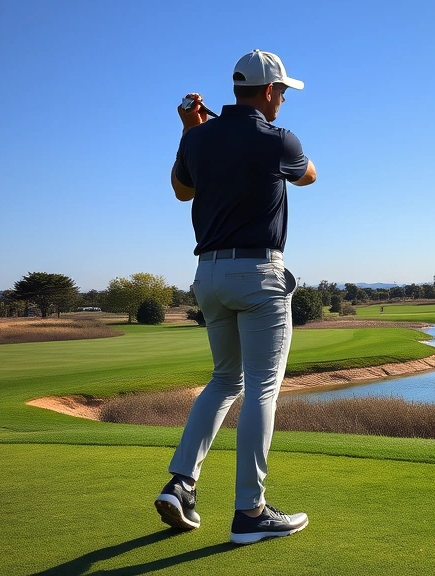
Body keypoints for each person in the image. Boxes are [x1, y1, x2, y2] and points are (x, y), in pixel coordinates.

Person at [154, 49, 317, 545]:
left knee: (224, 379)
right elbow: (308, 175)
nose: (285, 99)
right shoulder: (278, 138)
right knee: (262, 388)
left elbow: (182, 191)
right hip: (259, 274)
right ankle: (250, 511)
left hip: (209, 276)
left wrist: (192, 130)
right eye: (283, 92)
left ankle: (181, 484)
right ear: (269, 91)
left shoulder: (198, 136)